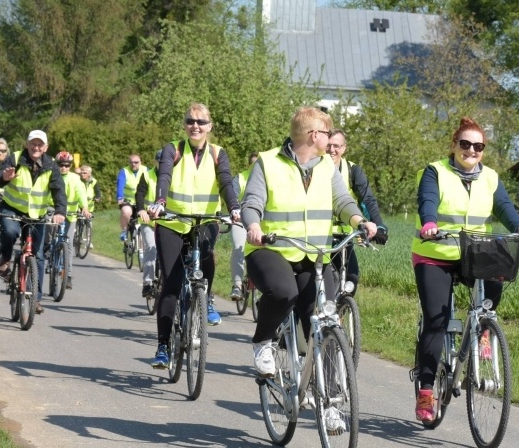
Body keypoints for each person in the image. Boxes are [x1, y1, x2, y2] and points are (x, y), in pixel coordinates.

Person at [412, 117, 519, 423]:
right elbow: (427, 200)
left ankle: (482, 331)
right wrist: (429, 223)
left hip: (474, 251)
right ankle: (426, 391)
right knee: (436, 322)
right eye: (465, 144)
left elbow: (503, 206)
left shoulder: (490, 177)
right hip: (436, 252)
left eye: (478, 146)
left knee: (497, 278)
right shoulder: (435, 171)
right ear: (454, 144)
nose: (471, 150)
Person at [242, 106, 377, 378]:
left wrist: (360, 222)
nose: (330, 139)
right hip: (271, 248)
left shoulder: (326, 166)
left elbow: (342, 200)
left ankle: (330, 395)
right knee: (284, 292)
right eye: (328, 133)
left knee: (325, 318)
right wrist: (254, 226)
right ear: (315, 135)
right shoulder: (268, 162)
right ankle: (263, 342)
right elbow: (252, 202)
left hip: (314, 255)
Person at [146, 103, 240, 369]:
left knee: (207, 258)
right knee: (172, 283)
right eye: (190, 121)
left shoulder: (218, 153)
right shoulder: (173, 149)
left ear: (210, 126)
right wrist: (160, 201)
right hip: (173, 222)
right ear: (185, 125)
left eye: (201, 122)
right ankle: (163, 346)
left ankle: (205, 299)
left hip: (205, 220)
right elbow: (164, 175)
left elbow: (225, 182)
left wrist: (234, 207)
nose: (195, 126)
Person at [0, 130, 66, 315]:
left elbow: (58, 190)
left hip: (36, 214)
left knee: (38, 255)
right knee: (10, 232)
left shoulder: (51, 165)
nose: (36, 147)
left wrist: (60, 212)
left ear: (46, 147)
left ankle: (36, 299)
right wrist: (4, 178)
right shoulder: (15, 158)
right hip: (12, 208)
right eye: (33, 143)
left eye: (40, 144)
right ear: (27, 144)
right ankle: (5, 259)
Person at [326, 129, 388, 295]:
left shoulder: (352, 170)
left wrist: (379, 226)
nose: (332, 150)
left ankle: (340, 310)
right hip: (319, 235)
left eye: (336, 146)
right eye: (328, 145)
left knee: (351, 278)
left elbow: (367, 199)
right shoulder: (315, 167)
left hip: (343, 236)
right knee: (319, 282)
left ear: (344, 148)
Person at [53, 152, 91, 289]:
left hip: (70, 215)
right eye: (60, 165)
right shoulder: (52, 175)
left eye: (67, 165)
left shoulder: (75, 178)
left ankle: (67, 275)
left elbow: (81, 193)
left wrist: (84, 207)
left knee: (68, 244)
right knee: (48, 237)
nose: (64, 167)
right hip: (53, 212)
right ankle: (49, 252)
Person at [229, 152, 258, 301]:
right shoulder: (240, 179)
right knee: (238, 247)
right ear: (248, 165)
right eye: (253, 164)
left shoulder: (266, 179)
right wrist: (235, 213)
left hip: (259, 222)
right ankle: (237, 286)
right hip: (240, 220)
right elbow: (232, 198)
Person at [135, 150, 160, 298]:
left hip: (168, 222)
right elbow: (140, 193)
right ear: (155, 162)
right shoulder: (147, 175)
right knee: (151, 248)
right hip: (148, 221)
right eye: (160, 162)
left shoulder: (175, 176)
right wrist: (140, 210)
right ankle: (148, 283)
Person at [116, 154, 150, 241]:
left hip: (142, 201)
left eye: (136, 162)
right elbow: (120, 185)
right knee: (126, 212)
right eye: (131, 162)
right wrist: (120, 197)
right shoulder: (124, 171)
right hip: (128, 201)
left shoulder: (146, 170)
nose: (133, 164)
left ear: (140, 162)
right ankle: (124, 231)